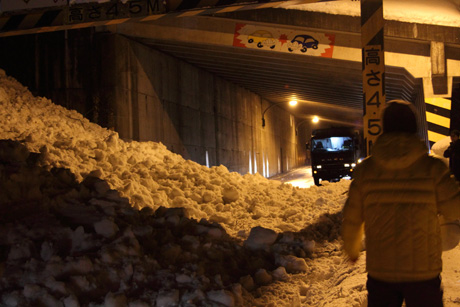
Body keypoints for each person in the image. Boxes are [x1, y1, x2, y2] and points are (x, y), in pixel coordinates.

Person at [341, 100, 460, 307]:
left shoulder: (365, 171)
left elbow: (352, 217)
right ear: (414, 128)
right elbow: (454, 208)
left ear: (384, 128)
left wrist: (351, 249)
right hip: (424, 271)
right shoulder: (433, 169)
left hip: (381, 272)